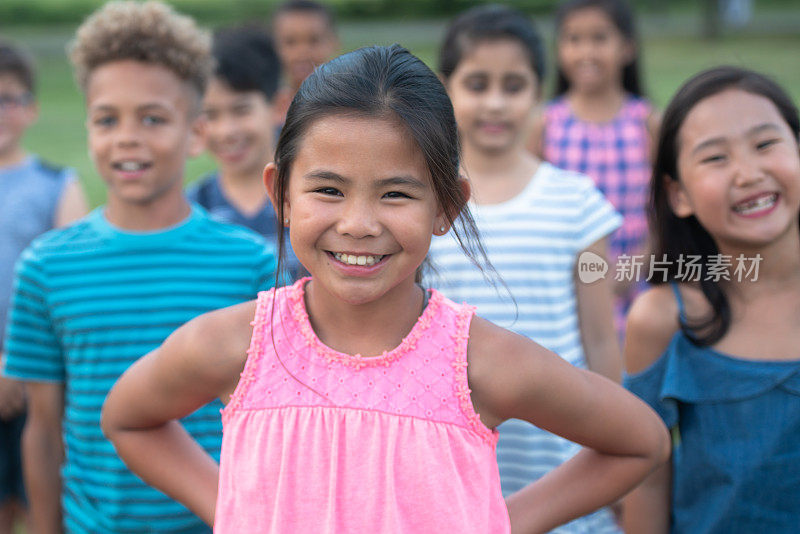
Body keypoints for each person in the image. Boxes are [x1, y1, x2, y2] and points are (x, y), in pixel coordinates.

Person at [101, 44, 669, 533]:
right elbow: (128, 416)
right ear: (281, 193)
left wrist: (493, 519)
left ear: (447, 206)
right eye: (328, 189)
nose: (359, 224)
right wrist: (232, 506)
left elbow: (640, 440)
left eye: (395, 194)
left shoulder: (477, 361)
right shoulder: (237, 345)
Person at [2, 2, 277, 532]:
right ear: (89, 129)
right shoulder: (45, 267)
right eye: (108, 119)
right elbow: (42, 427)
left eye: (152, 118)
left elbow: (269, 420)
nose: (127, 137)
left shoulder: (251, 262)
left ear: (196, 133)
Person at [429, 5, 623, 532]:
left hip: (562, 466)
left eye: (513, 85)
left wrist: (611, 438)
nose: (495, 102)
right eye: (477, 83)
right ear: (447, 88)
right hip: (450, 464)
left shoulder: (579, 205)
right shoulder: (419, 203)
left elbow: (601, 338)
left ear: (539, 91)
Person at [623, 66, 800, 533]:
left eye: (765, 144)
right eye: (716, 158)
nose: (748, 173)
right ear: (678, 194)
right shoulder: (661, 319)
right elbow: (646, 480)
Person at [529, 0, 660, 338]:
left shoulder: (647, 123)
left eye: (599, 38)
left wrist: (631, 269)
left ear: (627, 47)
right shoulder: (545, 125)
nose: (585, 51)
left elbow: (665, 206)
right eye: (573, 39)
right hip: (567, 286)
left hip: (637, 285)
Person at [0, 39, 88, 534]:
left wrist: (16, 367)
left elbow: (66, 289)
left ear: (31, 108)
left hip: (40, 378)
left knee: (43, 499)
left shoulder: (58, 183)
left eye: (8, 98)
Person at [188, 26, 303, 281]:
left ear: (279, 106)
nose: (226, 131)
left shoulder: (311, 199)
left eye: (241, 110)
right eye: (210, 115)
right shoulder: (191, 209)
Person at [270, 0, 339, 129]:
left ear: (333, 42)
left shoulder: (349, 107)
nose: (302, 52)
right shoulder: (269, 110)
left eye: (314, 40)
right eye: (290, 42)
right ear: (274, 46)